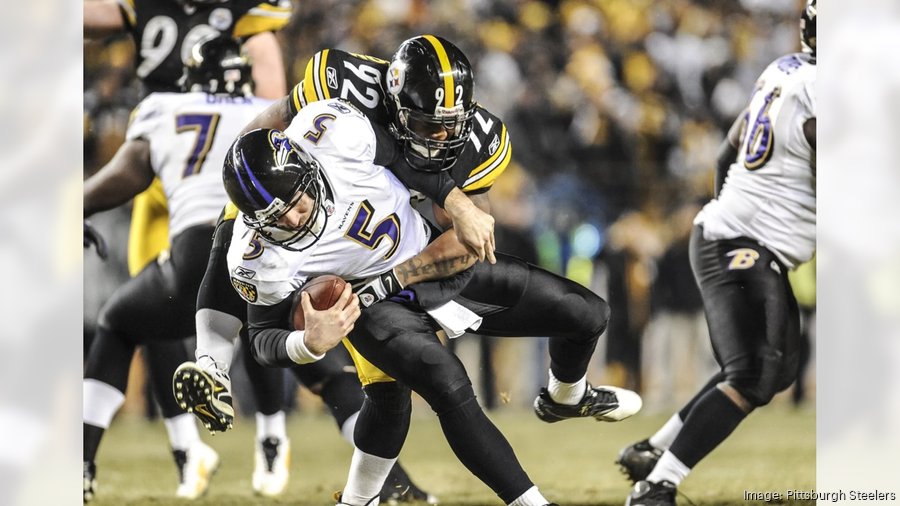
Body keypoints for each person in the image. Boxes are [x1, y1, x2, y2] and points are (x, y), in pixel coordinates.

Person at [230, 94, 639, 506]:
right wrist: (306, 344)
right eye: (273, 219)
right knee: (446, 383)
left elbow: (409, 161)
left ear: (308, 169)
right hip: (374, 303)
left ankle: (564, 396)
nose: (292, 221)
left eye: (296, 205)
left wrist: (456, 203)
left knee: (587, 313)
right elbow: (262, 337)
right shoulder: (255, 255)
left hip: (433, 261)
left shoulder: (333, 133)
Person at [619, 3, 816, 504]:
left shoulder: (786, 69)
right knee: (754, 373)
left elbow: (728, 152)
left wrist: (727, 211)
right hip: (743, 246)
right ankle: (657, 485)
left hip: (732, 237)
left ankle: (653, 450)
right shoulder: (826, 93)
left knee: (772, 371)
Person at [82, 35, 292, 501]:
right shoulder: (271, 111)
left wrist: (76, 206)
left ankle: (81, 461)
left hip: (196, 248)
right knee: (279, 341)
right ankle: (274, 438)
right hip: (268, 250)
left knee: (120, 321)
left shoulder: (164, 107)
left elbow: (128, 174)